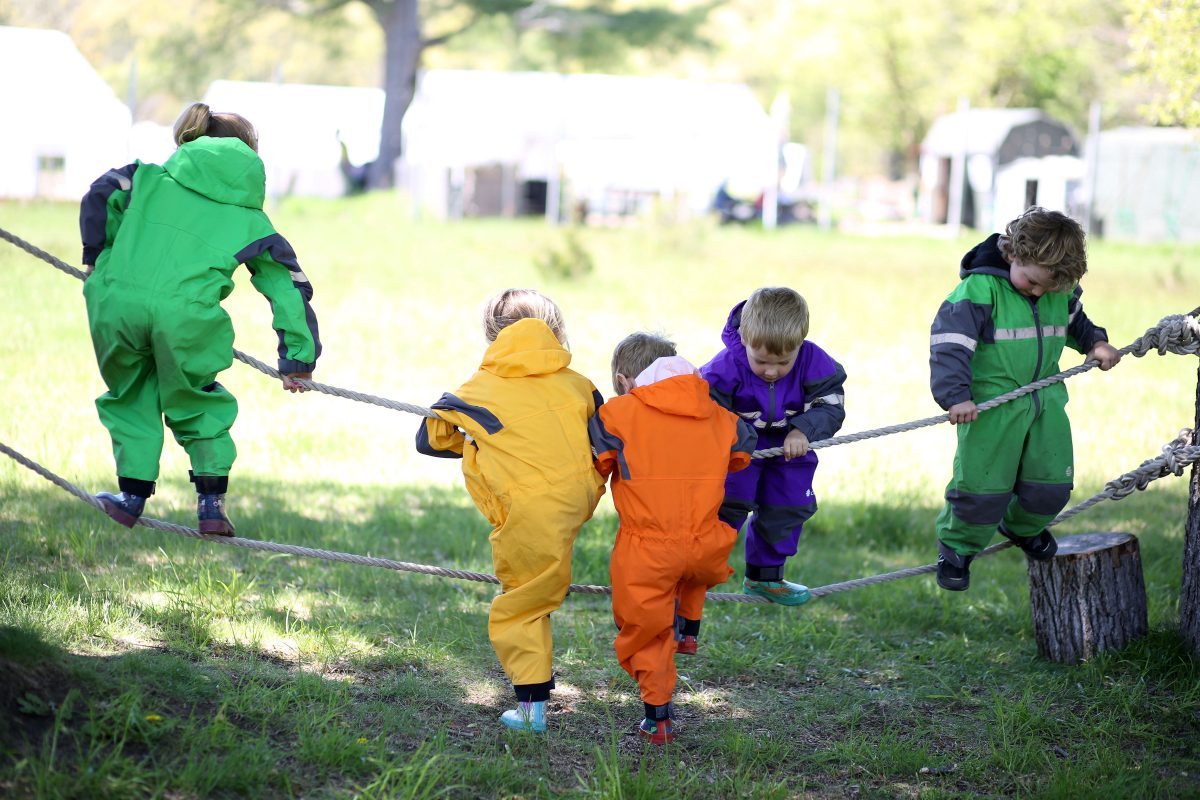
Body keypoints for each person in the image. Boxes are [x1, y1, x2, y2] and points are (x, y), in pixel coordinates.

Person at [79, 102, 320, 537]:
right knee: (198, 398)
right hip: (187, 318)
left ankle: (131, 497)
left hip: (116, 302)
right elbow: (287, 286)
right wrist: (297, 358)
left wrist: (97, 257)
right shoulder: (252, 219)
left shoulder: (145, 177)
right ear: (249, 156)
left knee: (130, 392)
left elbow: (101, 193)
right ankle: (211, 505)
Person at [416, 289, 605, 733]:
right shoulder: (579, 382)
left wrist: (481, 439)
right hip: (580, 499)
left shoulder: (478, 388)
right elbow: (602, 431)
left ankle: (531, 708)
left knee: (521, 602)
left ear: (491, 336)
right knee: (540, 579)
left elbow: (430, 439)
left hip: (529, 507)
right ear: (555, 331)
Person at [929, 207, 1121, 591]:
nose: (1038, 292)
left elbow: (1076, 320)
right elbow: (949, 345)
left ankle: (1021, 527)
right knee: (981, 491)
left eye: (1048, 289)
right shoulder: (979, 291)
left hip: (1046, 402)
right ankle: (957, 548)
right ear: (1014, 252)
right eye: (1032, 282)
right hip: (991, 409)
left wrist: (1096, 342)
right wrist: (955, 397)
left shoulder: (1054, 288)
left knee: (1051, 486)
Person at [590, 332, 757, 744]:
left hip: (646, 548)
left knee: (646, 631)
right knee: (689, 570)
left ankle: (658, 716)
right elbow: (744, 449)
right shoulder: (718, 414)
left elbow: (597, 460)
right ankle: (688, 627)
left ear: (625, 380)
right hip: (706, 544)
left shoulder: (617, 415)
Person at [700, 287, 847, 605]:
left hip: (790, 447)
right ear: (744, 341)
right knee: (725, 505)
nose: (771, 370)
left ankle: (764, 577)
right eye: (762, 360)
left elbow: (831, 406)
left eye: (783, 362)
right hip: (739, 449)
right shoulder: (725, 367)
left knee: (788, 505)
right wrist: (730, 438)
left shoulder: (814, 362)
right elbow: (704, 409)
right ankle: (699, 571)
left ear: (799, 345)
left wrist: (804, 430)